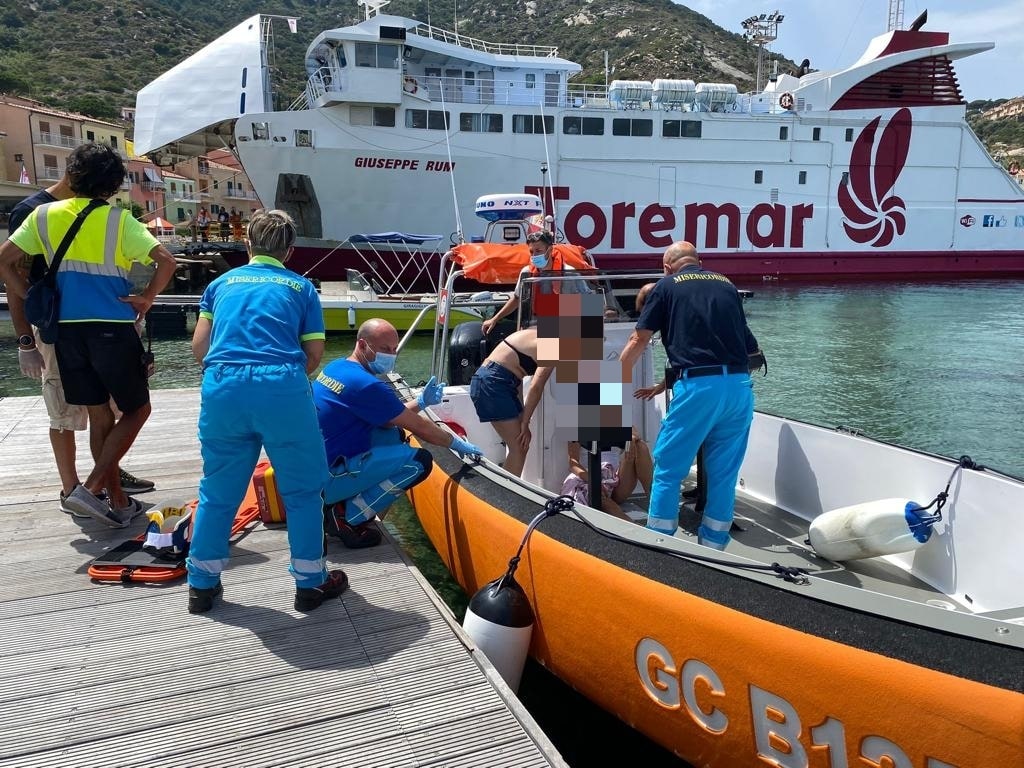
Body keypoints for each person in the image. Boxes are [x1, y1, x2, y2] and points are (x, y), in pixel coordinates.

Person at [0, 143, 177, 527]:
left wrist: (31, 297)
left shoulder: (43, 216)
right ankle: (92, 488)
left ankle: (117, 501)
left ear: (72, 175)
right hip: (111, 329)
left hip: (64, 332)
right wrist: (146, 298)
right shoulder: (119, 221)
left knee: (100, 417)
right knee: (137, 409)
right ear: (113, 186)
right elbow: (167, 261)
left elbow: (4, 260)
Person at [185, 209, 346, 614]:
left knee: (218, 490)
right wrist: (282, 379)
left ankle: (202, 586)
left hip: (224, 386)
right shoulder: (301, 288)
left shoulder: (219, 285)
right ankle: (310, 584)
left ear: (247, 245)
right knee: (303, 491)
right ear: (289, 251)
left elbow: (199, 349)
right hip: (281, 387)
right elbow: (313, 354)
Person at [618, 241, 761, 550]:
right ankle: (714, 546)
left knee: (668, 468)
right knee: (723, 473)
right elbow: (750, 345)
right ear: (700, 261)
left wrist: (611, 382)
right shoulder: (727, 285)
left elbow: (639, 338)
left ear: (667, 268)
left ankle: (660, 542)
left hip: (698, 387)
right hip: (738, 387)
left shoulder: (666, 286)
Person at [314, 319, 482, 548]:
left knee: (393, 436)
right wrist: (456, 443)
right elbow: (420, 427)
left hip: (313, 467)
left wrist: (421, 402)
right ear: (362, 345)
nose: (391, 355)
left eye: (394, 349)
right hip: (325, 480)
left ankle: (342, 502)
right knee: (419, 462)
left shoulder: (336, 367)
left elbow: (390, 418)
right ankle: (346, 516)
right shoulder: (367, 385)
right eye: (384, 349)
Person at [469, 325, 554, 476]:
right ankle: (504, 496)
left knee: (520, 446)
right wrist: (525, 422)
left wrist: (522, 415)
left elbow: (517, 375)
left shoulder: (538, 331)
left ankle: (506, 487)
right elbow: (536, 386)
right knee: (519, 447)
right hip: (493, 383)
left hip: (499, 381)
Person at [481, 231, 588, 335]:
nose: (534, 255)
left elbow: (587, 302)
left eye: (538, 250)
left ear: (550, 250)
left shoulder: (569, 274)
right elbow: (517, 299)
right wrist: (495, 319)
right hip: (533, 328)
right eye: (531, 252)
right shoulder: (527, 273)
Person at [562, 429, 653, 520]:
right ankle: (633, 528)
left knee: (640, 446)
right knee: (599, 496)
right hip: (591, 476)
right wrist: (594, 481)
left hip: (616, 480)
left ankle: (653, 501)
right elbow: (573, 463)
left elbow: (634, 433)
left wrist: (632, 437)